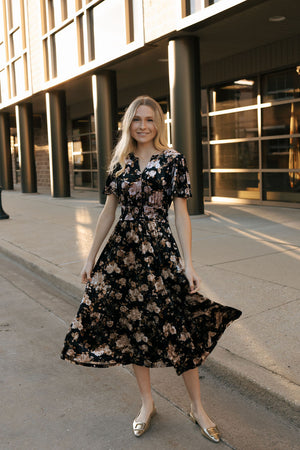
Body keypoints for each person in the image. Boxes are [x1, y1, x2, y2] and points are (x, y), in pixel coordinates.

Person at [61, 95, 241, 443]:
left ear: (159, 123)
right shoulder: (120, 162)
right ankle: (147, 404)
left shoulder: (173, 160)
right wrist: (89, 258)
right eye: (136, 119)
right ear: (128, 123)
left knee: (180, 327)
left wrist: (188, 263)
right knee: (131, 328)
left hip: (159, 253)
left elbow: (181, 214)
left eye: (150, 119)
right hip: (121, 257)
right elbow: (108, 213)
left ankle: (197, 407)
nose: (143, 125)